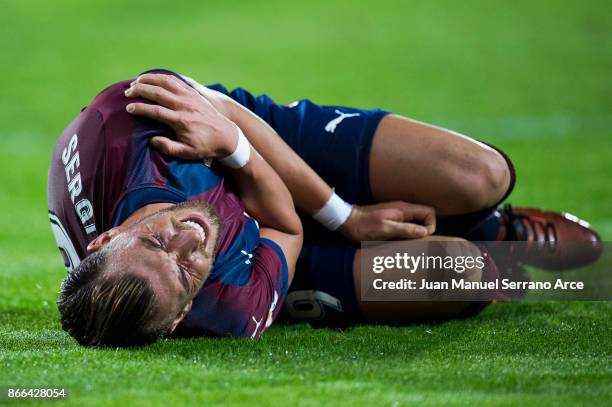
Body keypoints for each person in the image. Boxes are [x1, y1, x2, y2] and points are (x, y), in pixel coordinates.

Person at [48, 69, 600, 346]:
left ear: (106, 237)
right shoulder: (221, 312)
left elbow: (220, 116)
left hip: (261, 141)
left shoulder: (118, 136)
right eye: (187, 273)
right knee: (462, 272)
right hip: (265, 231)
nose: (191, 239)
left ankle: (487, 218)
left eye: (156, 240)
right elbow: (285, 226)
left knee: (482, 176)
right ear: (178, 320)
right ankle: (496, 240)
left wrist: (347, 216)